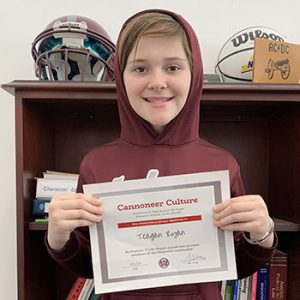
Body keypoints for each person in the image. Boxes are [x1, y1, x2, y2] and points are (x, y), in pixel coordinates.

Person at [46, 8, 277, 299]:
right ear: (120, 76)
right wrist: (58, 238)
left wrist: (263, 233)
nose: (157, 82)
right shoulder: (95, 164)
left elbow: (237, 264)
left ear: (194, 75)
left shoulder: (222, 164)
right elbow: (91, 266)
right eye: (140, 68)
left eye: (173, 67)